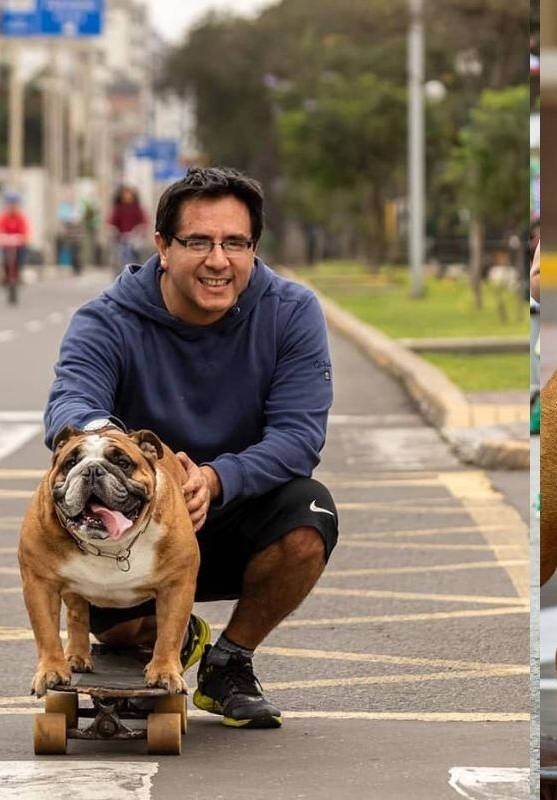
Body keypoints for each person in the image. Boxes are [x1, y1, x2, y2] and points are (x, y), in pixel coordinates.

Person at [44, 166, 338, 729]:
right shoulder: (106, 319)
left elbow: (299, 435)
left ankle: (230, 662)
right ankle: (158, 636)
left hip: (231, 508)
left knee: (311, 514)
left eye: (235, 243)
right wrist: (142, 466)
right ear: (161, 246)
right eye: (198, 241)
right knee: (124, 628)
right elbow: (70, 405)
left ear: (254, 247)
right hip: (131, 522)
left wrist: (216, 477)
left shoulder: (291, 312)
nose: (218, 260)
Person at [0, 193, 32, 299]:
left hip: (18, 245)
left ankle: (19, 273)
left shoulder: (21, 218)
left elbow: (27, 232)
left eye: (15, 205)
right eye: (10, 205)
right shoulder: (2, 217)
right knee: (3, 259)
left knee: (21, 258)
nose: (12, 207)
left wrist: (23, 238)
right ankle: (5, 275)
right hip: (6, 244)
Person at [106, 185, 149, 272]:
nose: (127, 196)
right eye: (125, 194)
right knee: (118, 257)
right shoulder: (118, 208)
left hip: (134, 239)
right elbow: (111, 222)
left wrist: (138, 231)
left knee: (138, 257)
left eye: (129, 194)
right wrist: (113, 231)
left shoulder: (137, 208)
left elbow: (144, 222)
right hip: (121, 239)